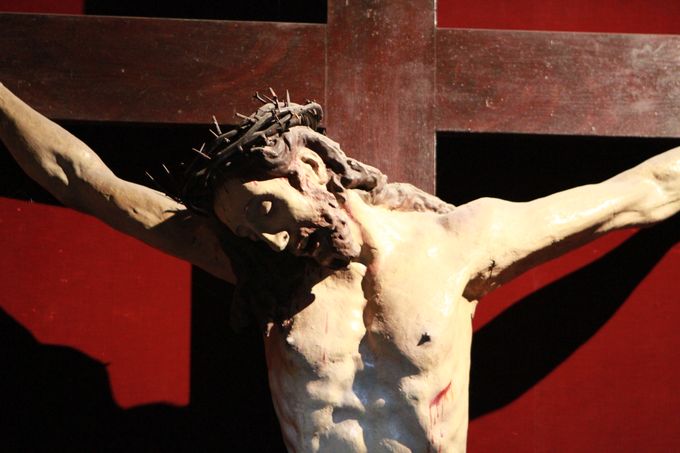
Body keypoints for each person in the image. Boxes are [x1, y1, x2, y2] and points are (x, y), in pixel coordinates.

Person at [1, 82, 679, 453]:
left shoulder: (457, 242)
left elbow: (641, 192)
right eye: (249, 229)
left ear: (313, 170)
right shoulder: (261, 268)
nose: (269, 239)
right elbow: (81, 178)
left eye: (267, 210)